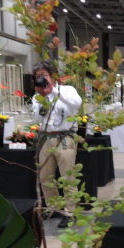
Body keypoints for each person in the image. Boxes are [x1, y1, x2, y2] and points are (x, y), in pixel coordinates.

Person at [31, 61, 82, 228]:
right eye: (38, 76)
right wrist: (43, 98)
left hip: (65, 138)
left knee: (68, 177)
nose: (41, 79)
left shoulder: (67, 90)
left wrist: (53, 90)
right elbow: (38, 119)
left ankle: (70, 212)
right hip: (46, 138)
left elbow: (76, 104)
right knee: (45, 177)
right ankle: (54, 208)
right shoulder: (37, 96)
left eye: (43, 75)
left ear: (52, 76)